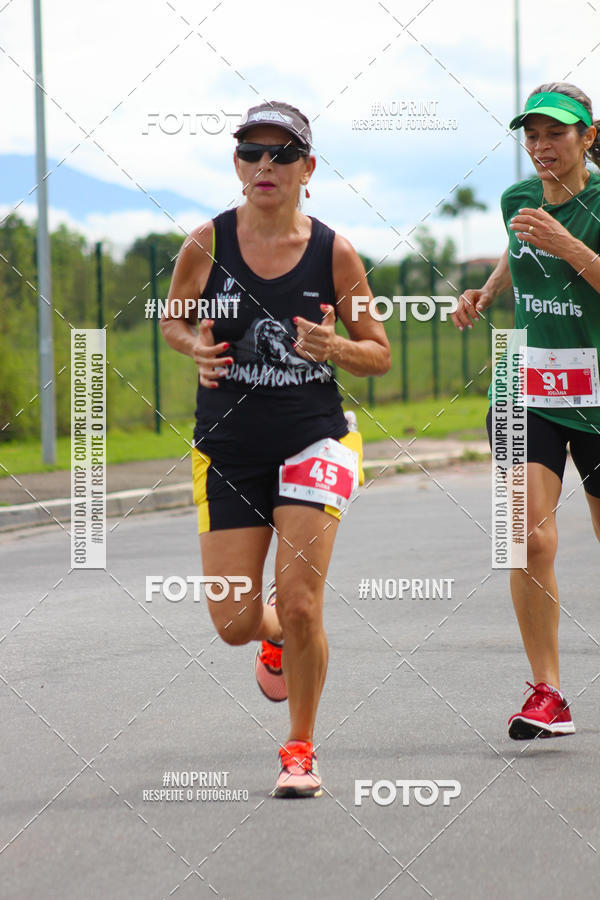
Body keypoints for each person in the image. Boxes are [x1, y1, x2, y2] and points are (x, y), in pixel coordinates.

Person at [161, 101, 391, 796]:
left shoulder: (334, 251)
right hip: (229, 445)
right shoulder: (206, 243)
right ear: (237, 167)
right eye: (252, 153)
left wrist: (336, 347)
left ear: (308, 170)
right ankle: (271, 638)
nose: (266, 165)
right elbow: (173, 320)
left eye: (282, 154)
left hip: (314, 436)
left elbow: (378, 354)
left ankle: (300, 749)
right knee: (232, 621)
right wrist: (192, 345)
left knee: (301, 602)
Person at [452, 82, 600, 740]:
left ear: (588, 137)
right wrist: (482, 294)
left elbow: (560, 251)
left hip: (596, 393)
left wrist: (568, 243)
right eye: (531, 135)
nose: (541, 146)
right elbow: (520, 255)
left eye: (557, 134)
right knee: (525, 539)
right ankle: (548, 693)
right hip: (521, 383)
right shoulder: (518, 198)